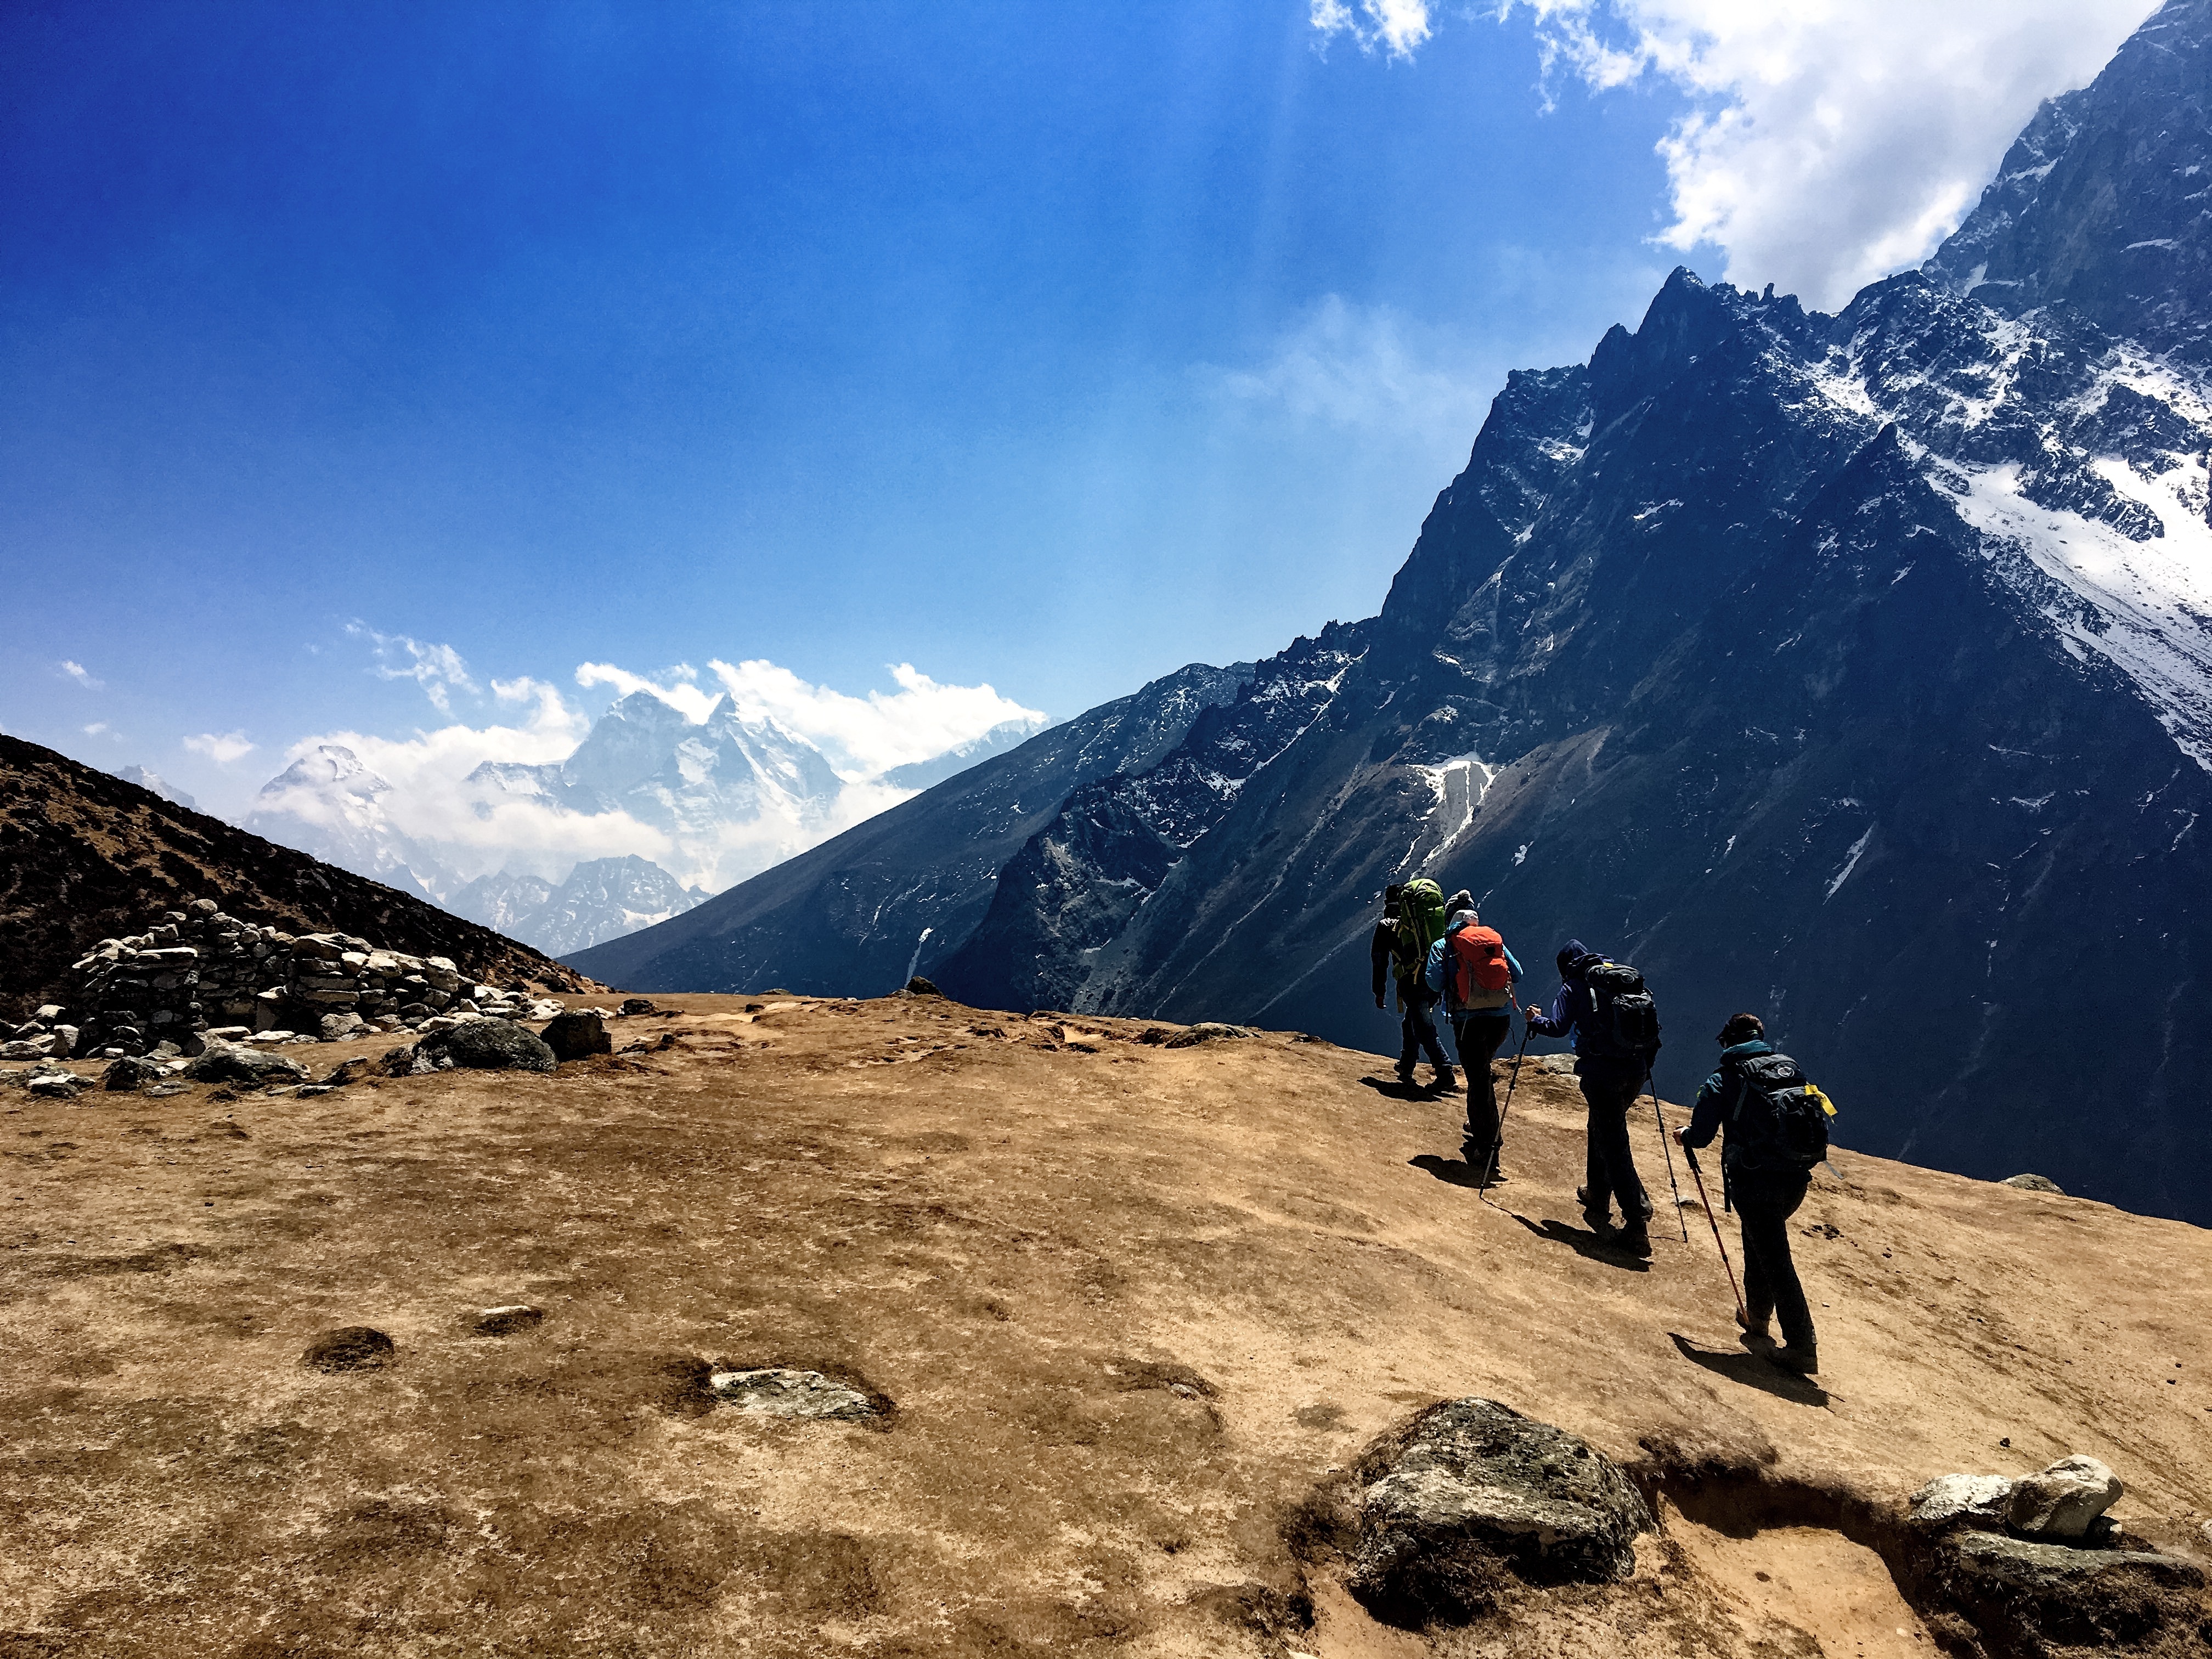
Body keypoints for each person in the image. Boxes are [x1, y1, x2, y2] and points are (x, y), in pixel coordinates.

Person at [1675, 1013, 1821, 1374]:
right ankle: (1757, 1319)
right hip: (1796, 1178)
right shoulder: (1789, 1069)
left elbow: (1703, 1136)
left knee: (1775, 1260)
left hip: (1756, 1181)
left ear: (1728, 1042)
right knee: (1761, 1244)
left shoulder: (1723, 1079)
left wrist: (1685, 1136)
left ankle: (1802, 1346)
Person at [1525, 939, 1652, 1254]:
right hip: (1636, 1068)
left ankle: (1637, 1224)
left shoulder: (1575, 986)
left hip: (1601, 1072)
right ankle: (1597, 1193)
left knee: (1613, 1142)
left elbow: (1557, 1027)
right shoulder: (1623, 981)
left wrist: (1534, 1021)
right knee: (1601, 1128)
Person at [1424, 904, 1522, 1179]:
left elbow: (1433, 983)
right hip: (1501, 1021)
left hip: (1469, 1021)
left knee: (1478, 1079)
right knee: (1480, 1073)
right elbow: (1518, 974)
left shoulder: (1445, 945)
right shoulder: (1494, 942)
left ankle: (1489, 1146)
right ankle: (1480, 1126)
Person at [1385, 878, 1455, 1092]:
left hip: (1413, 980)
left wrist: (1379, 991)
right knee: (1412, 1023)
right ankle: (1406, 1066)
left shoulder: (1392, 925)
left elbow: (1378, 959)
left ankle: (1445, 1072)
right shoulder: (1423, 922)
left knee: (1424, 1028)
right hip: (1434, 977)